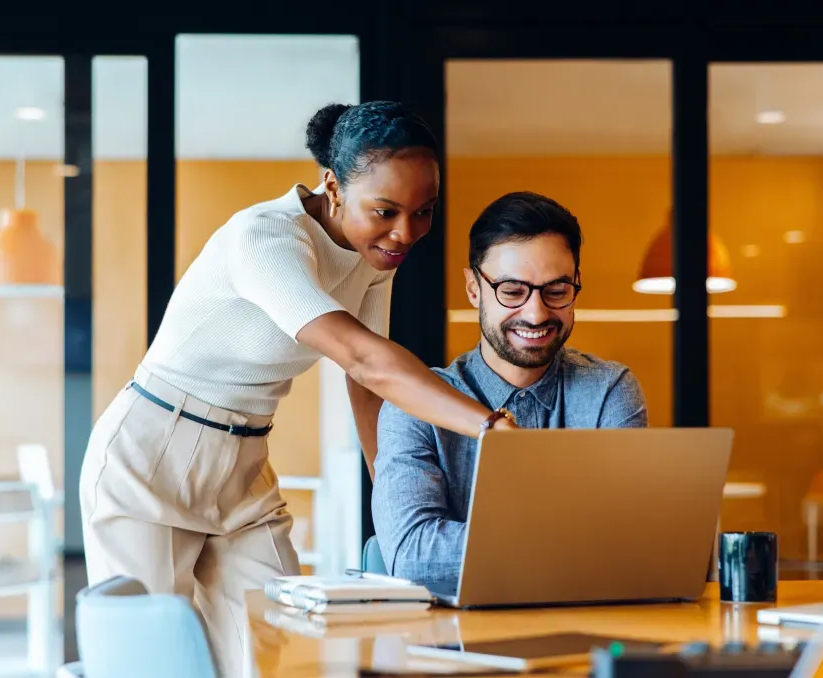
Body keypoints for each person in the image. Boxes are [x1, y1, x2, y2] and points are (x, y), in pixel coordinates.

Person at [78, 101, 517, 675]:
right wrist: (489, 425)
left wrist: (391, 500)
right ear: (332, 186)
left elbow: (367, 389)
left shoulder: (374, 255)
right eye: (385, 210)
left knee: (274, 651)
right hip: (152, 452)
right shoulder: (265, 239)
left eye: (424, 211)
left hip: (244, 462)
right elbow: (363, 358)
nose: (405, 232)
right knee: (153, 662)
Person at [372, 191, 648, 588]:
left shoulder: (608, 391)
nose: (536, 314)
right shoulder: (413, 405)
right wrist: (581, 540)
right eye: (513, 291)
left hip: (586, 636)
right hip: (455, 645)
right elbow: (414, 558)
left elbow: (634, 548)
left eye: (556, 291)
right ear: (473, 289)